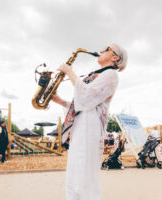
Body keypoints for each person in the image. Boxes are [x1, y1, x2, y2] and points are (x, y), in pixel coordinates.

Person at [52, 44, 127, 200]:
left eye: (106, 49)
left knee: (83, 175)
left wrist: (69, 71)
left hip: (89, 127)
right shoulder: (98, 74)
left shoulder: (111, 75)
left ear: (115, 57)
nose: (101, 51)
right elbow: (84, 102)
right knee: (75, 173)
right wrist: (60, 101)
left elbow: (86, 97)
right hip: (82, 125)